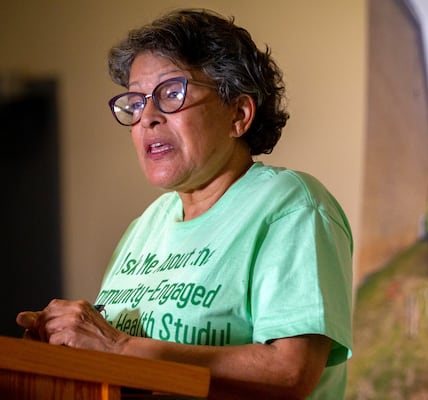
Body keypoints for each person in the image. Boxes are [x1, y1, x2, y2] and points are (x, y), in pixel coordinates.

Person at [16, 9, 353, 399]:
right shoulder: (147, 225)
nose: (147, 119)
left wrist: (120, 347)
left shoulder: (290, 206)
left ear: (239, 114)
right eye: (136, 102)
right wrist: (63, 348)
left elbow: (289, 372)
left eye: (171, 94)